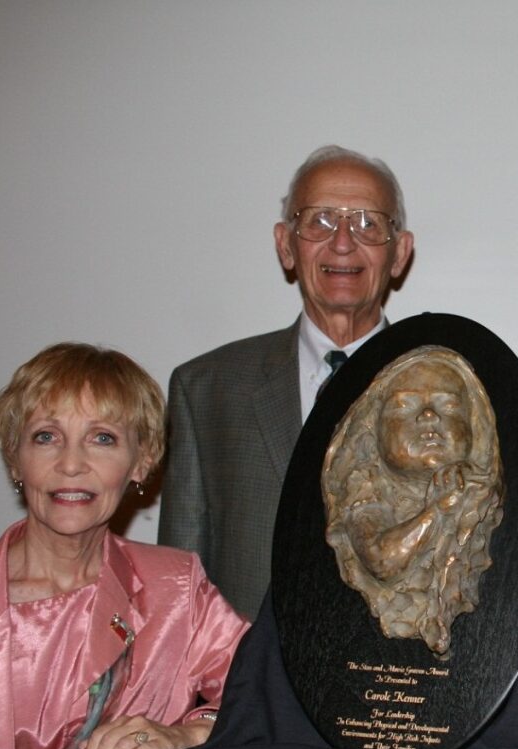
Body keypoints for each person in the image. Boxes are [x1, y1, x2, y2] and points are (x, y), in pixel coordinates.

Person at [0, 343, 249, 749]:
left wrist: (186, 734)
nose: (70, 463)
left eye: (102, 438)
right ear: (16, 458)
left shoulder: (175, 589)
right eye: (46, 437)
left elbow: (262, 696)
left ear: (141, 462)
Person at [159, 145, 415, 617]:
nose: (342, 241)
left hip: (407, 682)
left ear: (399, 253)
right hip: (251, 682)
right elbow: (181, 584)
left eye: (367, 223)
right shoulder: (206, 391)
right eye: (319, 220)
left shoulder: (451, 391)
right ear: (285, 244)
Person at [322, 346, 504, 655]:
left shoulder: (481, 491)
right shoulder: (366, 487)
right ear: (373, 429)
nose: (430, 416)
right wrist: (437, 511)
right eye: (404, 406)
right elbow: (382, 560)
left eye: (448, 406)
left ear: (475, 426)